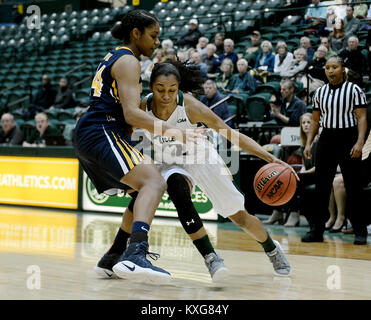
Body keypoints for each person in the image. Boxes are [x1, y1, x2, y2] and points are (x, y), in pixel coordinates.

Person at [126, 61, 295, 278]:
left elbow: (232, 135)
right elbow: (129, 135)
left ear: (179, 88)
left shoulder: (192, 107)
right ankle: (211, 258)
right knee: (177, 189)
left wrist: (270, 158)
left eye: (172, 90)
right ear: (151, 87)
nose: (166, 96)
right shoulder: (142, 107)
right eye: (160, 90)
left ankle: (271, 248)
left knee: (240, 217)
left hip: (202, 159)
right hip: (171, 162)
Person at [74, 10, 203, 283]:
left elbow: (128, 116)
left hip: (98, 132)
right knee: (154, 182)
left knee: (141, 190)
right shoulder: (128, 61)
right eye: (153, 36)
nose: (157, 42)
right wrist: (174, 131)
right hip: (101, 131)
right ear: (136, 33)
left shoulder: (116, 56)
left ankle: (112, 258)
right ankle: (135, 255)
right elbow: (132, 113)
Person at [302, 55, 368, 245]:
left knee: (354, 187)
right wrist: (309, 143)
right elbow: (315, 119)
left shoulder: (354, 90)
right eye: (328, 67)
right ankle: (316, 231)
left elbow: (362, 117)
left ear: (342, 69)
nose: (331, 71)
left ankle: (359, 230)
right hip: (327, 139)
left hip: (349, 138)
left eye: (335, 67)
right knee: (321, 187)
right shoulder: (320, 93)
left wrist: (359, 142)